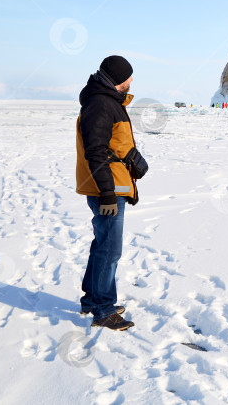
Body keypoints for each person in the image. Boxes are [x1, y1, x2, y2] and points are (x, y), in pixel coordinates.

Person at [75, 55, 142, 331]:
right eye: (128, 77)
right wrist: (107, 194)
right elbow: (96, 152)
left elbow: (113, 145)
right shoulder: (101, 104)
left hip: (111, 186)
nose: (131, 81)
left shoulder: (106, 101)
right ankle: (103, 310)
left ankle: (93, 299)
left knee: (102, 246)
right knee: (109, 250)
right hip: (107, 189)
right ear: (117, 80)